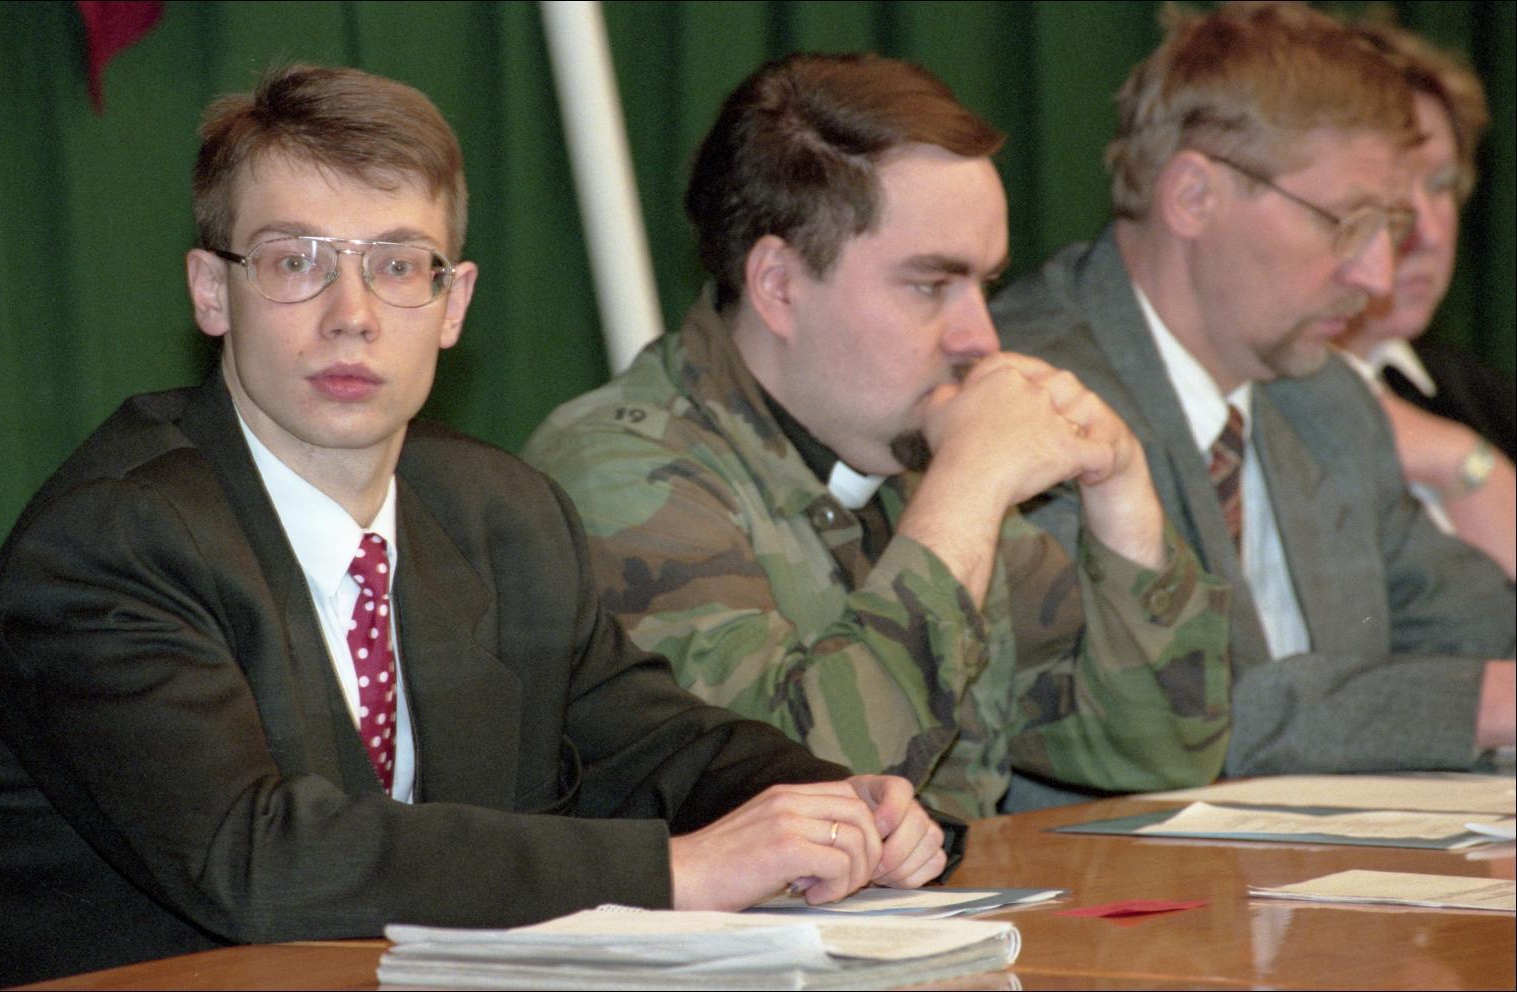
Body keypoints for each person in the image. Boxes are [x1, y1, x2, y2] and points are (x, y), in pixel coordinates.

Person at [0, 65, 945, 991]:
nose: (352, 313)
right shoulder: (110, 543)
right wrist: (679, 871)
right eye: (295, 260)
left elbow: (657, 748)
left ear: (454, 304)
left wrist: (837, 805)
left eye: (400, 265)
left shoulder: (500, 514)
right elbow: (262, 861)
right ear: (212, 292)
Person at [522, 52, 1232, 827]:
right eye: (930, 285)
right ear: (778, 286)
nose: (980, 337)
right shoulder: (621, 473)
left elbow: (1161, 750)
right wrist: (968, 486)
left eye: (986, 284)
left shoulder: (906, 458)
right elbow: (797, 800)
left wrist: (1121, 490)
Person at [991, 3, 1515, 786]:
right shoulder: (1031, 392)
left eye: (1391, 227)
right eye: (1346, 223)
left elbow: (1474, 626)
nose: (1375, 274)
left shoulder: (1325, 399)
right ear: (1193, 196)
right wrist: (1481, 705)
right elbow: (1167, 716)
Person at [1335, 19, 1515, 579]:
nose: (1427, 233)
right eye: (1390, 193)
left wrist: (1461, 456)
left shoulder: (1482, 397)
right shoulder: (1247, 405)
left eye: (1441, 186)